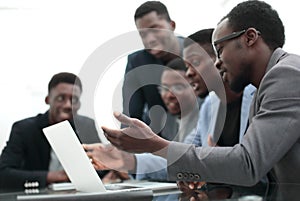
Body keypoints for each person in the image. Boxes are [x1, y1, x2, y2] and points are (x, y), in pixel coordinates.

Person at [101, 0, 300, 186]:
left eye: (220, 50)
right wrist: (218, 190)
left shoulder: (285, 75)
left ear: (250, 38)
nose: (217, 62)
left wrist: (156, 145)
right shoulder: (258, 89)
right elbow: (263, 176)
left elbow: (247, 164)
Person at [0, 72, 114, 190]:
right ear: (48, 99)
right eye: (61, 98)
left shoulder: (86, 126)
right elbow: (4, 173)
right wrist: (57, 176)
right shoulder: (24, 129)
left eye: (74, 100)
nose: (67, 105)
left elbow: (102, 168)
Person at [122, 1, 184, 137]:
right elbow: (131, 115)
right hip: (161, 142)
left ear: (172, 25)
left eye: (155, 30)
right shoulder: (137, 62)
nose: (150, 39)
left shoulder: (196, 53)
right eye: (143, 35)